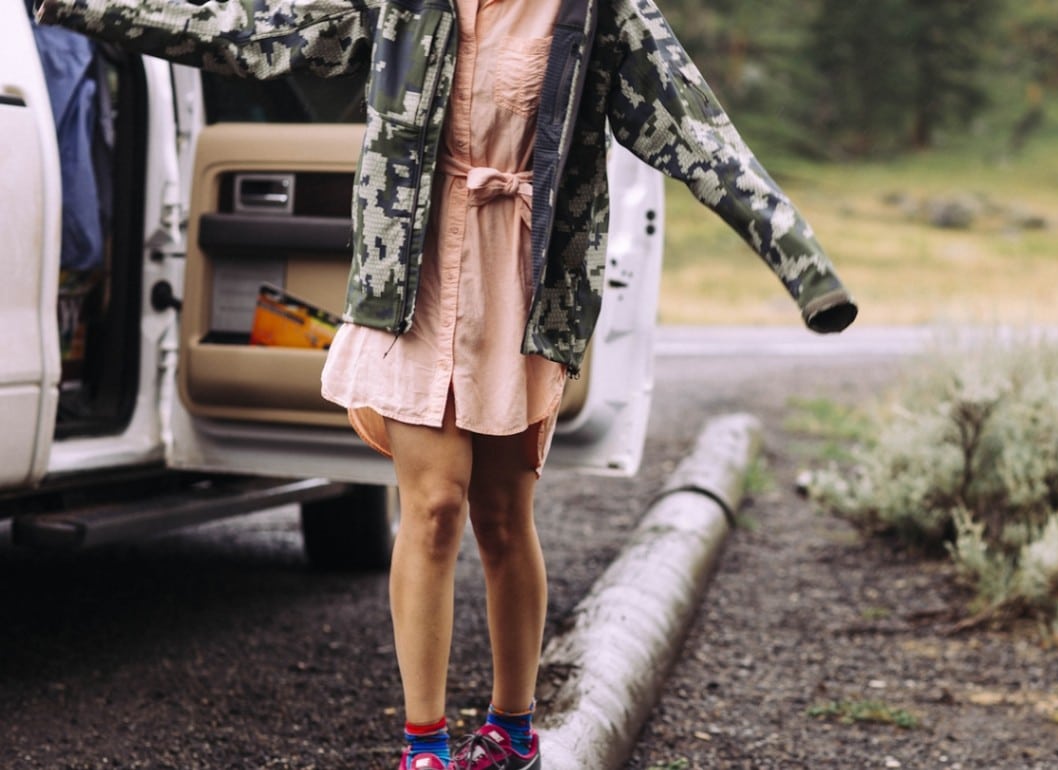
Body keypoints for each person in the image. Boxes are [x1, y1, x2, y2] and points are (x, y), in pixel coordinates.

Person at [34, 1, 859, 768]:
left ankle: (511, 729)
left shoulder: (600, 12)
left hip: (521, 277)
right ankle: (422, 743)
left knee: (503, 517)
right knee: (432, 507)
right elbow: (252, 30)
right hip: (415, 276)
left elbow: (703, 138)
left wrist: (808, 276)